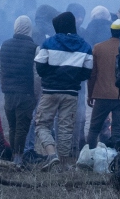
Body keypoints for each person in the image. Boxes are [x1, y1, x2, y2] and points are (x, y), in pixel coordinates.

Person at [34, 12, 93, 170]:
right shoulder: (86, 46)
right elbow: (87, 72)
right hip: (71, 93)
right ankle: (64, 164)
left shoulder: (48, 43)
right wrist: (73, 79)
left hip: (50, 92)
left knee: (42, 125)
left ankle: (52, 155)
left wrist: (50, 77)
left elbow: (39, 66)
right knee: (66, 128)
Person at [0, 16, 39, 166]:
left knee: (13, 126)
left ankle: (14, 156)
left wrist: (5, 86)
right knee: (22, 127)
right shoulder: (34, 48)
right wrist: (36, 93)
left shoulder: (3, 45)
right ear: (29, 29)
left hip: (9, 94)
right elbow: (36, 75)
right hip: (26, 93)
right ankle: (18, 159)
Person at [86, 19, 120, 149]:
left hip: (102, 95)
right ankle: (114, 159)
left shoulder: (98, 48)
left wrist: (90, 94)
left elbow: (92, 75)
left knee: (94, 129)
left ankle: (90, 157)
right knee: (117, 131)